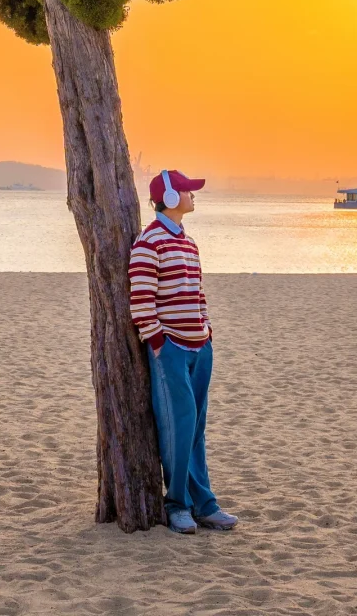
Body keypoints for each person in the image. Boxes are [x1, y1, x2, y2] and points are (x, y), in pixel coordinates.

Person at [128, 168, 238, 534]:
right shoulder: (149, 243)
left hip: (199, 347)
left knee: (196, 428)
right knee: (178, 426)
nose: (194, 196)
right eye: (188, 191)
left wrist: (207, 333)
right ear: (171, 198)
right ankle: (176, 505)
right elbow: (141, 301)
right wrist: (159, 344)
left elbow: (198, 292)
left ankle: (204, 505)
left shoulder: (188, 243)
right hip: (171, 349)